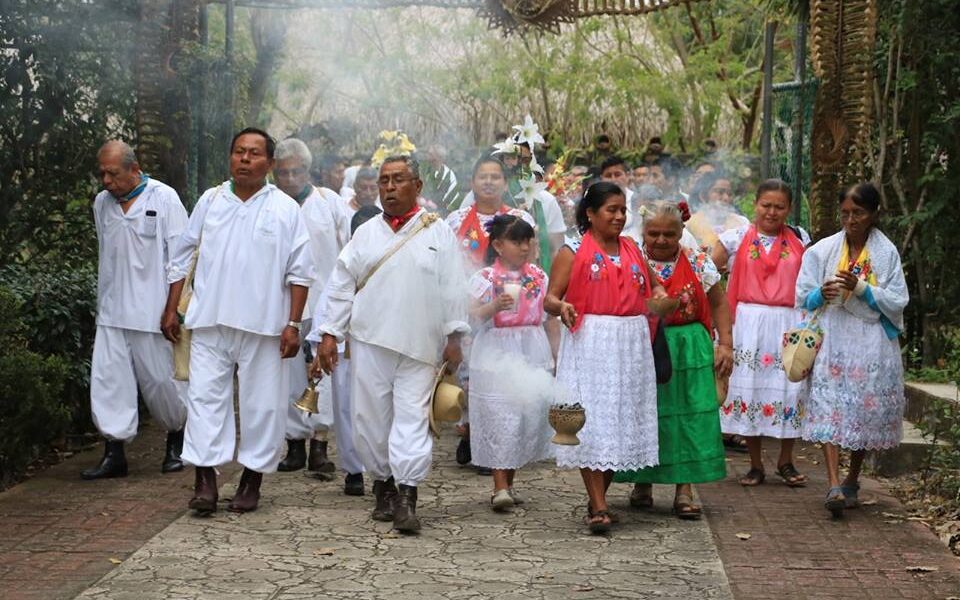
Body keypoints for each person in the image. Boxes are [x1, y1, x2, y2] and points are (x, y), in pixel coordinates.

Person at [313, 155, 469, 533]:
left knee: (413, 421)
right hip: (369, 341)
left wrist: (455, 336)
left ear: (417, 186)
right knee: (370, 420)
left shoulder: (437, 231)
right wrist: (330, 334)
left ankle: (407, 495)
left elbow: (453, 286)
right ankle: (381, 484)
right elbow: (340, 285)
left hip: (421, 344)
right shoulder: (364, 233)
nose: (389, 187)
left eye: (398, 180)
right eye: (384, 180)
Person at [162, 127, 315, 514]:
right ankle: (205, 481)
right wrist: (170, 307)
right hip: (210, 322)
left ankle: (251, 480)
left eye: (254, 153)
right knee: (204, 401)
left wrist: (293, 325)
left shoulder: (285, 208)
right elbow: (181, 255)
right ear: (230, 158)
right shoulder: (211, 200)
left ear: (270, 163)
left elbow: (300, 271)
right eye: (239, 152)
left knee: (262, 406)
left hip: (265, 327)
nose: (245, 159)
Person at [544, 182, 668, 534]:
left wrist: (659, 294)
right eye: (611, 210)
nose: (618, 216)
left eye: (622, 210)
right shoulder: (572, 250)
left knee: (619, 424)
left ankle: (597, 496)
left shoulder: (632, 249)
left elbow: (653, 284)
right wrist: (563, 305)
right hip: (591, 340)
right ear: (590, 213)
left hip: (631, 342)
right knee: (592, 420)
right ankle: (598, 505)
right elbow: (549, 298)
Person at [613, 202, 733, 519]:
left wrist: (726, 345)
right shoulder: (631, 260)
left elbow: (719, 303)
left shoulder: (698, 261)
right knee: (648, 413)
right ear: (643, 233)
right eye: (654, 234)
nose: (662, 240)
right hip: (646, 344)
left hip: (691, 346)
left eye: (670, 233)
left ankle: (684, 489)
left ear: (682, 232)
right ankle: (642, 481)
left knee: (690, 416)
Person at [796, 182, 908, 517]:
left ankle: (852, 478)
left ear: (874, 214)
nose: (850, 219)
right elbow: (803, 294)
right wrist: (822, 293)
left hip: (870, 340)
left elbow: (898, 299)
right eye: (845, 213)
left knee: (861, 408)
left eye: (857, 212)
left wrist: (860, 288)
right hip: (834, 335)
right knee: (829, 403)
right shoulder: (822, 250)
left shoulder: (886, 253)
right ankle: (832, 484)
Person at [83, 140, 189, 480]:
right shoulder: (102, 204)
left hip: (153, 312)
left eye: (113, 174)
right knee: (109, 382)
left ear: (135, 170)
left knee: (162, 382)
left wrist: (171, 310)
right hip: (112, 311)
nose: (106, 181)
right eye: (102, 174)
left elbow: (180, 260)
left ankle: (177, 440)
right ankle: (114, 454)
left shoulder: (164, 198)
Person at [711, 179, 810, 488]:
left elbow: (810, 277)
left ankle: (786, 460)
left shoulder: (799, 238)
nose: (771, 212)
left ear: (789, 209)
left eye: (779, 207)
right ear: (754, 205)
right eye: (766, 205)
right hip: (748, 321)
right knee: (749, 388)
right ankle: (755, 465)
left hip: (787, 320)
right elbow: (706, 272)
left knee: (789, 387)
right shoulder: (735, 237)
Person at [446, 157, 535, 470]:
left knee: (504, 374)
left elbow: (532, 257)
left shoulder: (519, 217)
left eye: (495, 177)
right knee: (470, 373)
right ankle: (471, 432)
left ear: (505, 184)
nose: (488, 182)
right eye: (482, 176)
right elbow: (446, 261)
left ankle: (506, 442)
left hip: (512, 307)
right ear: (472, 183)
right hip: (470, 300)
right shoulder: (456, 220)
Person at [272, 138, 348, 477]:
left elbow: (350, 250)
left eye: (296, 172)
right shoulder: (269, 206)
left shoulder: (328, 203)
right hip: (283, 305)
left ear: (308, 170)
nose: (289, 179)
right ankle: (295, 446)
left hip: (324, 305)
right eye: (283, 172)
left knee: (325, 375)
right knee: (287, 376)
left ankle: (320, 445)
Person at [467, 214, 554, 511]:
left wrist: (554, 354)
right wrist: (493, 306)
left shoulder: (539, 277)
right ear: (499, 245)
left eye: (527, 240)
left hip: (531, 346)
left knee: (523, 416)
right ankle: (499, 485)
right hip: (497, 348)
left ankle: (511, 482)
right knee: (500, 414)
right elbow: (471, 312)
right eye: (516, 241)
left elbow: (548, 315)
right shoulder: (486, 278)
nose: (524, 247)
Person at [686, 172, 750, 250]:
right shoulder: (689, 224)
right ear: (703, 196)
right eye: (720, 192)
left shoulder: (742, 223)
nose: (726, 198)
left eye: (729, 194)